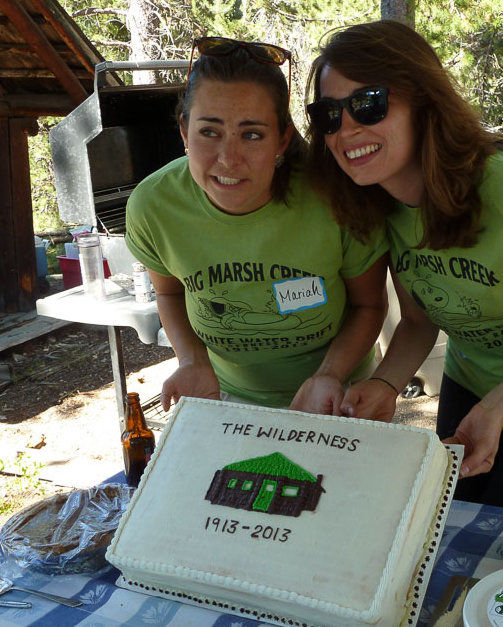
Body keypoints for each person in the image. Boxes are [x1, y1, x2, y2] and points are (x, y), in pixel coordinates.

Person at [305, 21, 503, 511]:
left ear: (424, 102)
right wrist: (384, 384)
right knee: (447, 518)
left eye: (368, 103)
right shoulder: (375, 204)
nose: (346, 128)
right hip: (471, 383)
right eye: (328, 114)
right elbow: (418, 320)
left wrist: (497, 407)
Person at [125, 37, 388, 414]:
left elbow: (368, 305)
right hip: (227, 396)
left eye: (252, 134)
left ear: (282, 139)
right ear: (184, 130)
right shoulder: (154, 206)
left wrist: (329, 375)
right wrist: (191, 361)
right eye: (209, 132)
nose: (228, 159)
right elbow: (169, 294)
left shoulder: (335, 198)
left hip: (337, 394)